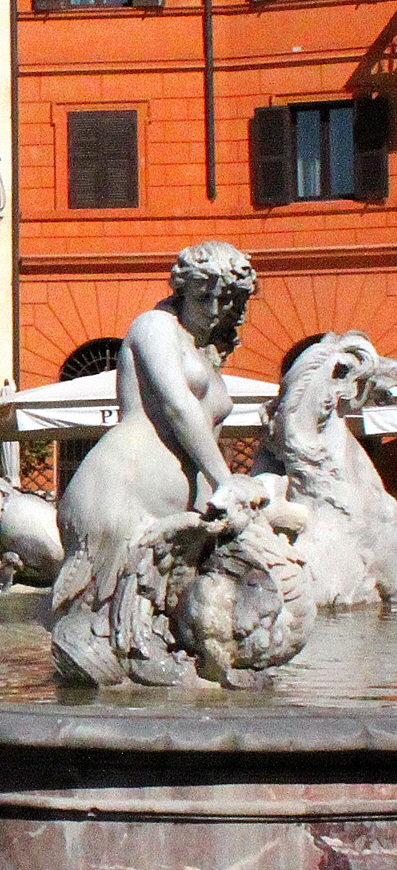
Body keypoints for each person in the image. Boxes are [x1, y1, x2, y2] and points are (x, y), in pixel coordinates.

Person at [54, 240, 263, 612]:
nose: (215, 310)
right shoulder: (154, 326)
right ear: (182, 290)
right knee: (103, 632)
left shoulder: (203, 353)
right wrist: (224, 479)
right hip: (121, 494)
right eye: (203, 297)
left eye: (226, 300)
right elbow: (176, 405)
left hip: (181, 513)